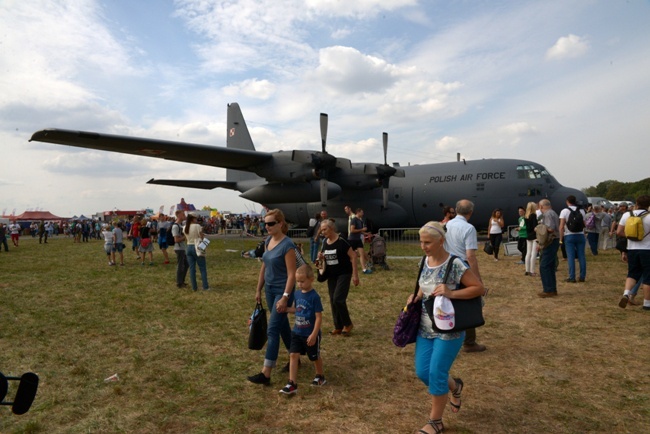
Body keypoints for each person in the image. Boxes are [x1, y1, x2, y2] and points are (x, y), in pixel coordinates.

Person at [407, 221, 484, 434]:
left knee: (436, 371)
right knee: (423, 372)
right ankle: (455, 386)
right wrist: (416, 296)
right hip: (425, 327)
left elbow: (478, 288)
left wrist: (451, 293)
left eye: (428, 242)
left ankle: (435, 422)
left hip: (449, 328)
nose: (423, 246)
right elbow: (425, 286)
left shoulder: (456, 264)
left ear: (441, 241)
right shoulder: (425, 260)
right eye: (421, 242)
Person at [248, 209, 298, 385]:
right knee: (283, 325)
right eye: (265, 223)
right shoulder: (268, 241)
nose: (266, 226)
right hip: (269, 290)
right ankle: (296, 356)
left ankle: (266, 373)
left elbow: (292, 274)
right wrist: (258, 289)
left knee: (273, 330)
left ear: (280, 224)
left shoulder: (288, 245)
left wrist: (285, 297)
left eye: (270, 223)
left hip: (282, 291)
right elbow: (264, 267)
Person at [444, 199, 486, 353]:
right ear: (470, 212)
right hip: (463, 268)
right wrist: (477, 278)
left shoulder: (447, 225)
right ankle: (469, 342)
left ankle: (447, 334)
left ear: (456, 210)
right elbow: (470, 256)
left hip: (448, 266)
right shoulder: (468, 228)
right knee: (469, 303)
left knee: (448, 300)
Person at [279, 265, 326, 395]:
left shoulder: (314, 297)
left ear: (311, 279)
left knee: (314, 356)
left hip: (310, 334)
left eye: (302, 281)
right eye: (298, 281)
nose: (299, 284)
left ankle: (320, 375)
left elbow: (318, 317)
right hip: (297, 332)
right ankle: (292, 383)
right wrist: (286, 309)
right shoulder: (297, 293)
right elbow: (296, 309)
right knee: (293, 355)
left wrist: (314, 334)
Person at [316, 218, 359, 336]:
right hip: (331, 275)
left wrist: (355, 275)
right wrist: (320, 257)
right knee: (332, 300)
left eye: (325, 229)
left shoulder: (341, 241)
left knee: (338, 299)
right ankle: (338, 326)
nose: (323, 232)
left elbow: (353, 256)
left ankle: (347, 324)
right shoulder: (325, 242)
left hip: (344, 274)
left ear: (332, 228)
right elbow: (323, 258)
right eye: (321, 230)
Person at [617, 195, 650, 310]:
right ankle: (647, 303)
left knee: (632, 273)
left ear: (636, 203)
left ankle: (626, 293)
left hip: (632, 248)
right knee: (647, 276)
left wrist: (632, 237)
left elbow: (619, 232)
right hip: (647, 249)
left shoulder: (627, 215)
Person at [559, 195, 587, 283]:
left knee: (570, 257)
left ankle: (572, 276)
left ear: (567, 201)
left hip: (569, 235)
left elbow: (561, 226)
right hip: (580, 234)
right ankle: (582, 276)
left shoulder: (564, 211)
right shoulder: (582, 211)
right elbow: (584, 224)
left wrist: (561, 238)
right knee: (581, 256)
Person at [538, 199, 561, 297]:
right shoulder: (554, 213)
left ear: (541, 206)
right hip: (555, 240)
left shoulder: (547, 214)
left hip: (550, 241)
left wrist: (539, 228)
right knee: (550, 266)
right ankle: (552, 288)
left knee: (544, 266)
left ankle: (548, 290)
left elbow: (550, 228)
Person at [184, 213, 209, 291]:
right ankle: (205, 286)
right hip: (197, 246)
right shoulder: (197, 226)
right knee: (202, 268)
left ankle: (194, 287)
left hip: (188, 247)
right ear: (192, 219)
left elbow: (186, 238)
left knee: (192, 269)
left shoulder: (185, 227)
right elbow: (201, 236)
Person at [349, 208, 372, 274]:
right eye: (362, 212)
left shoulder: (360, 221)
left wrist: (366, 233)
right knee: (351, 255)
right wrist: (362, 229)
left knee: (362, 254)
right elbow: (352, 230)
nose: (363, 214)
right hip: (352, 240)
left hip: (358, 240)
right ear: (358, 212)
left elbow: (360, 231)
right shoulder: (354, 220)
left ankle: (364, 269)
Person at [172, 210, 189, 288]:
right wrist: (185, 237)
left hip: (182, 248)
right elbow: (176, 240)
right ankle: (179, 282)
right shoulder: (175, 226)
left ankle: (182, 281)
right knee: (180, 265)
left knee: (186, 264)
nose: (184, 216)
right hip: (179, 248)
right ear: (178, 215)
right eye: (183, 214)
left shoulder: (180, 225)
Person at [524, 202, 539, 277]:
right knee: (534, 254)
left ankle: (527, 270)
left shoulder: (526, 216)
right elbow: (535, 227)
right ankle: (532, 271)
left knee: (528, 253)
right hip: (534, 235)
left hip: (528, 235)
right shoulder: (533, 215)